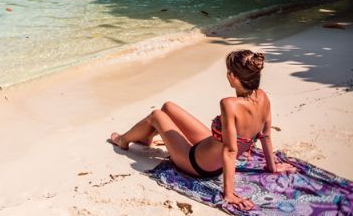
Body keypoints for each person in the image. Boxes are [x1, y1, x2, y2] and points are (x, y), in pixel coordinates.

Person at [109, 50, 295, 211]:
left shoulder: (229, 104)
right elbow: (265, 135)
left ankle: (123, 140)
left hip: (198, 164)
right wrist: (272, 167)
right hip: (209, 147)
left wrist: (229, 194)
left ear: (233, 77)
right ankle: (146, 137)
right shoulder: (262, 97)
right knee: (168, 107)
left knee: (156, 115)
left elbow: (230, 150)